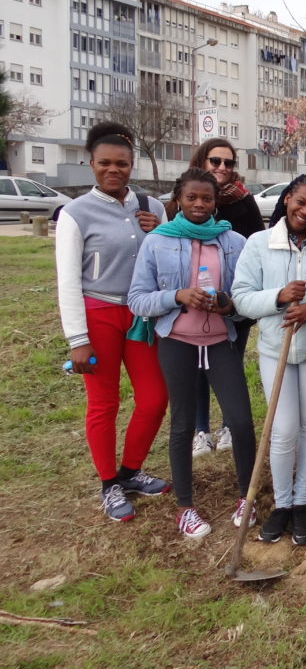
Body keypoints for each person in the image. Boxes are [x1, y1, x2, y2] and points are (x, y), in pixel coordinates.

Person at [128, 169, 256, 539]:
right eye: (191, 198)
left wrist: (228, 304)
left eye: (207, 198)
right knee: (183, 424)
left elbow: (246, 298)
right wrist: (177, 296)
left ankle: (246, 497)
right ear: (178, 201)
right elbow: (137, 299)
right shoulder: (158, 241)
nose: (199, 204)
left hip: (221, 342)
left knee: (241, 422)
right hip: (177, 342)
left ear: (216, 203)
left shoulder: (234, 242)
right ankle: (185, 506)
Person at [55, 121, 171, 522]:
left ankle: (130, 471)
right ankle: (109, 484)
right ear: (91, 164)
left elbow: (166, 257)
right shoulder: (75, 214)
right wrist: (78, 339)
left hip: (141, 315)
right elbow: (68, 280)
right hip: (98, 314)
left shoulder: (151, 206)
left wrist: (159, 231)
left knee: (154, 398)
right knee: (104, 403)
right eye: (104, 163)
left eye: (121, 163)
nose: (113, 170)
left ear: (131, 165)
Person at [232, 174, 306, 547]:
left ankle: (301, 501)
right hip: (275, 349)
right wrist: (278, 296)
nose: (305, 212)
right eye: (300, 202)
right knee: (282, 429)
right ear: (288, 198)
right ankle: (281, 503)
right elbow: (241, 298)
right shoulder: (259, 243)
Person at [168, 139, 263, 459]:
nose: (222, 167)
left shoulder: (244, 201)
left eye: (229, 162)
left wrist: (240, 297)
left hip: (232, 302)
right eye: (216, 161)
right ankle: (200, 430)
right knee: (197, 369)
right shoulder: (184, 196)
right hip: (190, 303)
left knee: (230, 366)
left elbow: (255, 245)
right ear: (202, 161)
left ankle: (227, 426)